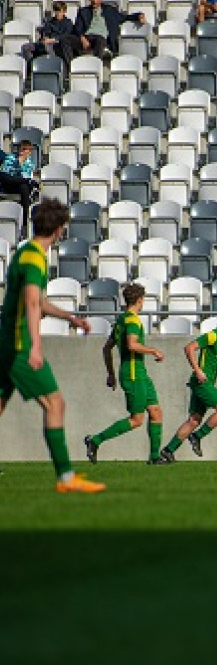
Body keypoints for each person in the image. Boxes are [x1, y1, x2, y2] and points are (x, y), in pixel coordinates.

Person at [0, 198, 105, 493]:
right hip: (19, 345)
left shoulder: (24, 252)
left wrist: (69, 317)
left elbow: (39, 302)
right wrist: (35, 346)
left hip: (6, 340)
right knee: (55, 402)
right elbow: (32, 303)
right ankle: (65, 478)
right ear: (60, 230)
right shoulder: (35, 259)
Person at [84, 283, 166, 466]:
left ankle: (154, 457)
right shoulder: (132, 321)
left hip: (140, 373)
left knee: (156, 411)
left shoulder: (121, 320)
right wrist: (153, 351)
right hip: (133, 374)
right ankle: (95, 440)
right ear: (139, 300)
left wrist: (111, 374)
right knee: (136, 420)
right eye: (143, 299)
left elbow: (107, 349)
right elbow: (132, 344)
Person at [159, 306, 217, 462]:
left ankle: (167, 451)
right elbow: (189, 348)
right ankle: (197, 436)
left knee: (194, 420)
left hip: (208, 382)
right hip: (201, 382)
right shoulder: (213, 335)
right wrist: (197, 370)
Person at [64, 0, 146, 60]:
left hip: (101, 38)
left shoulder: (110, 11)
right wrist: (82, 37)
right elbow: (77, 28)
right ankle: (71, 66)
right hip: (86, 38)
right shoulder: (83, 11)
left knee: (99, 40)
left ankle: (95, 65)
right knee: (65, 40)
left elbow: (124, 17)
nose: (94, 1)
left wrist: (138, 16)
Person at [0, 139, 38, 234]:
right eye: (21, 149)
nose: (22, 152)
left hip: (20, 186)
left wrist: (20, 165)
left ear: (29, 152)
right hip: (8, 183)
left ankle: (25, 220)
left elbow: (24, 175)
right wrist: (17, 163)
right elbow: (5, 173)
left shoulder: (29, 163)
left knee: (24, 186)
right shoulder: (10, 158)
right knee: (7, 178)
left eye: (25, 149)